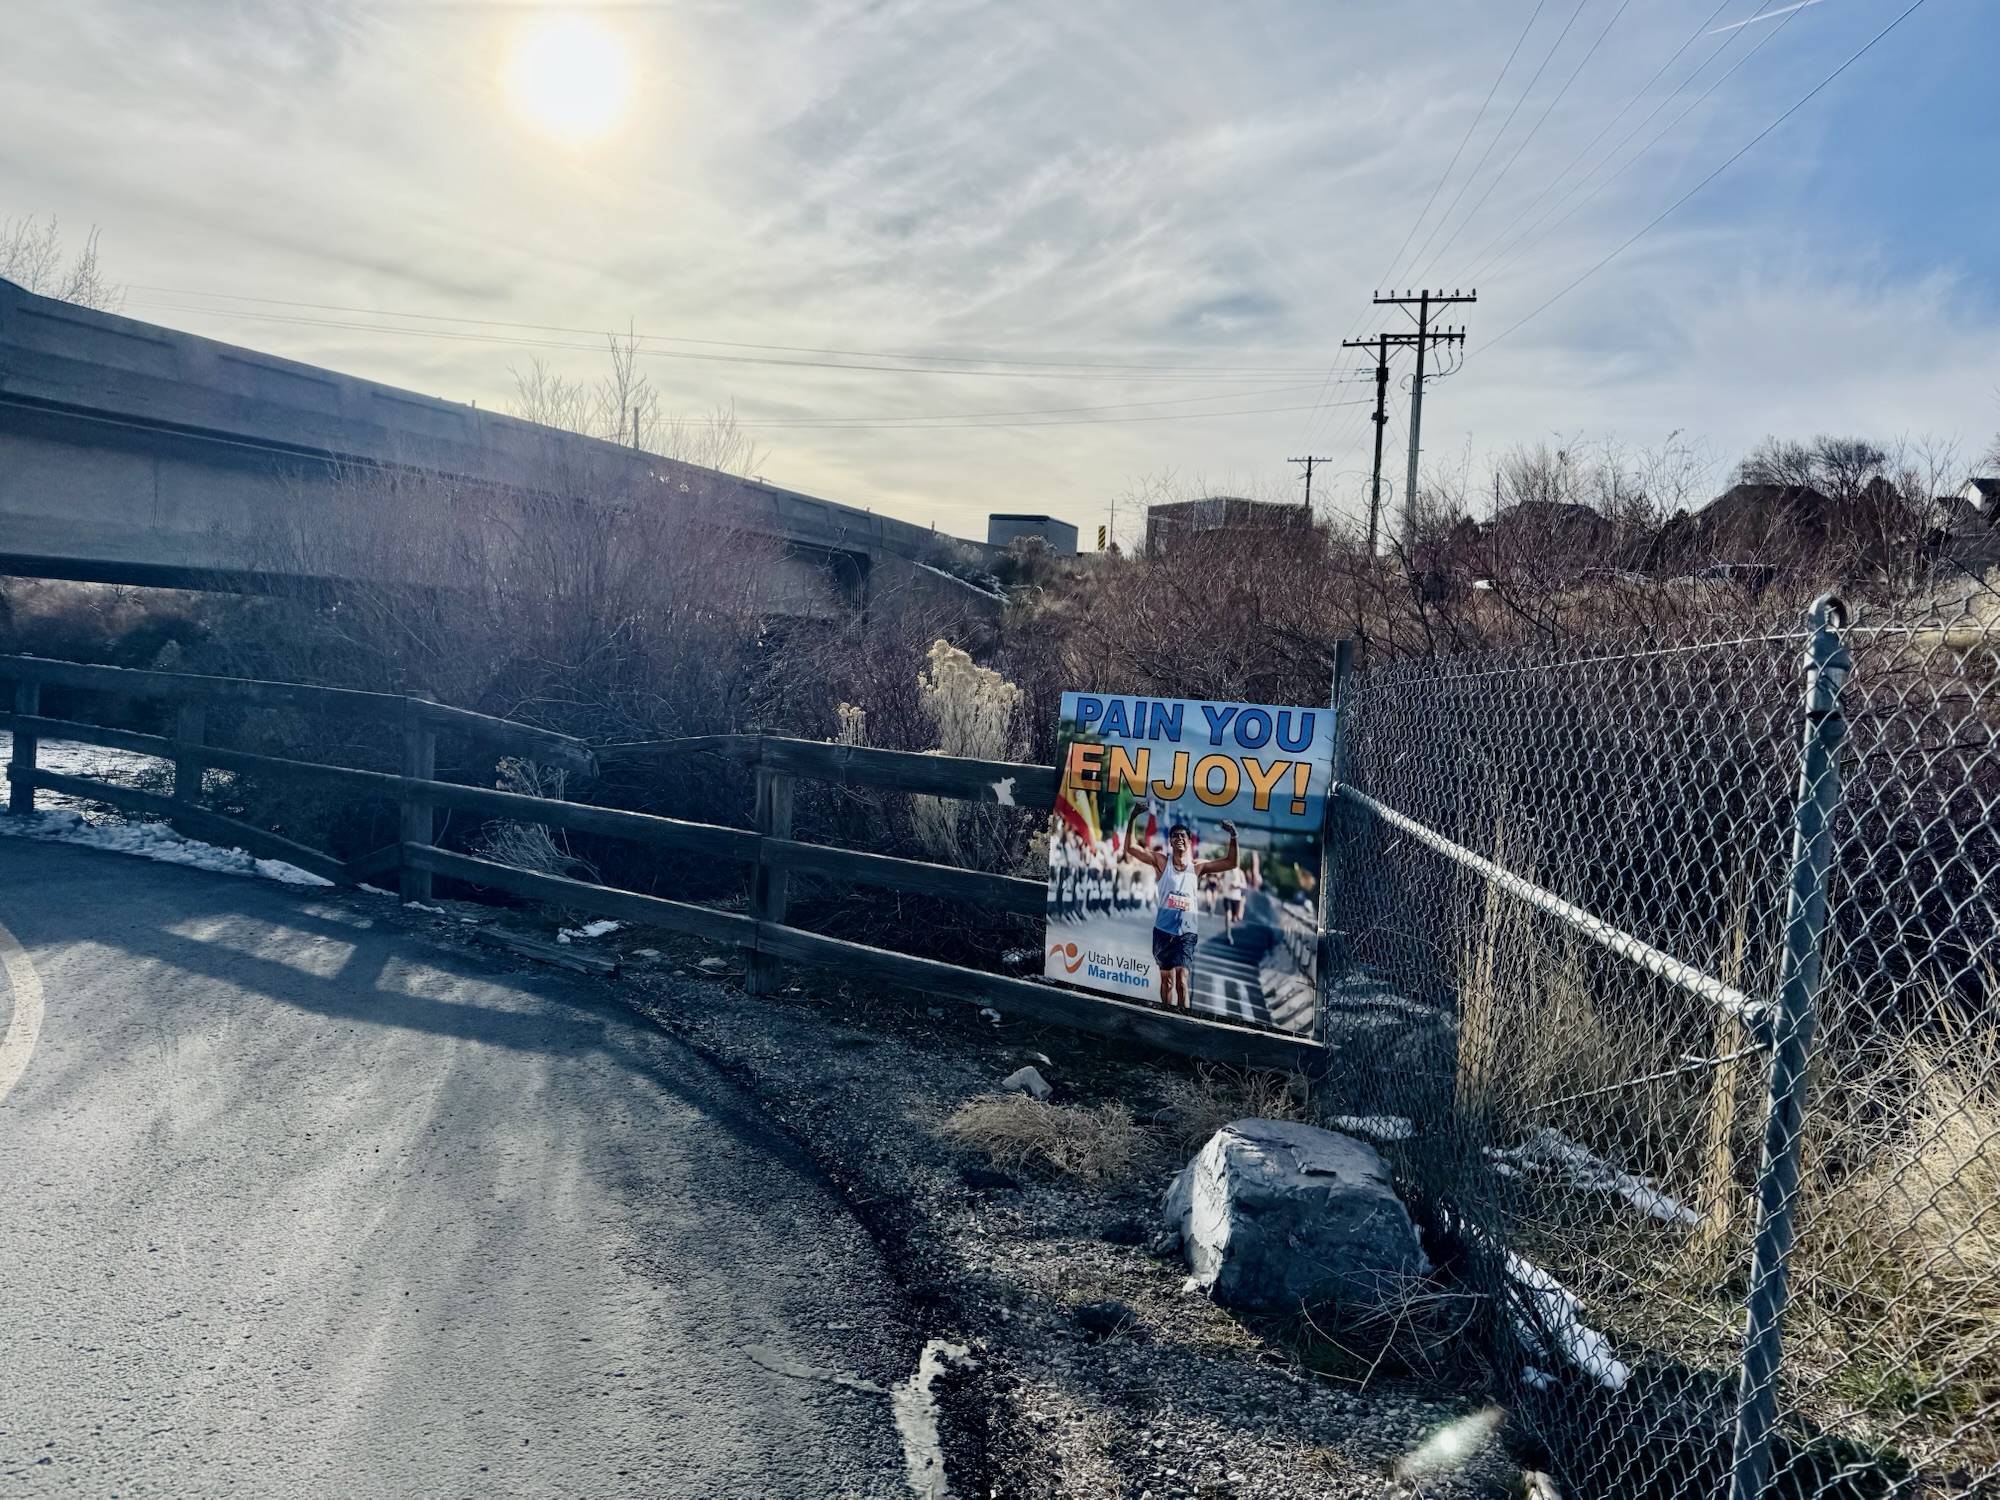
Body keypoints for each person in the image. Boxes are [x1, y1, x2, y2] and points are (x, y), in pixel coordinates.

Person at [1121, 810, 1239, 1012]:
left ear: (1189, 842)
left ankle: (1184, 1021)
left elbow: (1231, 862)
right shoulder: (1161, 862)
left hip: (1186, 933)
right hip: (1163, 932)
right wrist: (1132, 818)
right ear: (1170, 842)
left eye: (1183, 836)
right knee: (1166, 982)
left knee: (1182, 981)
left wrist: (1233, 836)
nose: (1179, 839)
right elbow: (1131, 848)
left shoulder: (1197, 867)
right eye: (1175, 836)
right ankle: (1166, 1016)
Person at [1219, 859, 1247, 939]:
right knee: (1228, 915)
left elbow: (1244, 885)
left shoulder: (1240, 872)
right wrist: (1221, 884)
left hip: (1236, 898)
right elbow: (1220, 878)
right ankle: (1228, 934)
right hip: (1227, 896)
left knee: (1236, 918)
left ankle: (1231, 923)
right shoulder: (1225, 871)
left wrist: (1237, 885)